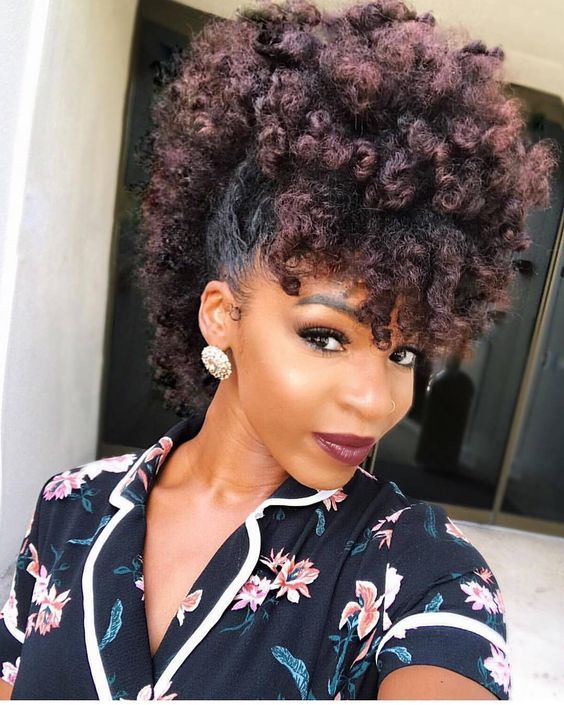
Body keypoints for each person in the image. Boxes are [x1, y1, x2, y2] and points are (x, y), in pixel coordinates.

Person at [0, 0, 555, 699]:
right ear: (221, 316)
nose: (376, 400)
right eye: (325, 336)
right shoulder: (70, 506)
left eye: (404, 353)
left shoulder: (419, 570)